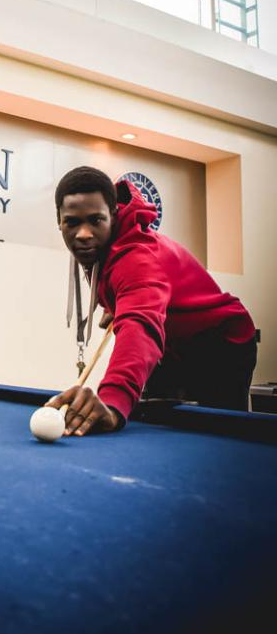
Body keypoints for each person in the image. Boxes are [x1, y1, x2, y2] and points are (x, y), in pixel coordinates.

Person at [46, 166, 257, 436]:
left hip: (220, 344)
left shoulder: (137, 259)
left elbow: (140, 326)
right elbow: (133, 295)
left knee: (225, 437)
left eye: (95, 220)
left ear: (113, 215)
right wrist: (115, 306)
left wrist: (112, 400)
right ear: (59, 220)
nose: (84, 233)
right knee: (155, 424)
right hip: (171, 346)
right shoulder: (108, 248)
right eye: (72, 222)